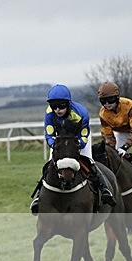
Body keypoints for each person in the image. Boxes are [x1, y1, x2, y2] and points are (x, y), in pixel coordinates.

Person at [30, 84, 115, 215]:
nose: (57, 110)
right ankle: (38, 196)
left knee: (89, 162)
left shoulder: (81, 113)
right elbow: (49, 135)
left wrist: (75, 147)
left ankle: (104, 190)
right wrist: (56, 146)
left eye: (61, 106)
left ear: (68, 104)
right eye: (54, 106)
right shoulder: (49, 114)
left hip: (78, 137)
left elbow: (83, 135)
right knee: (49, 164)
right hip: (60, 140)